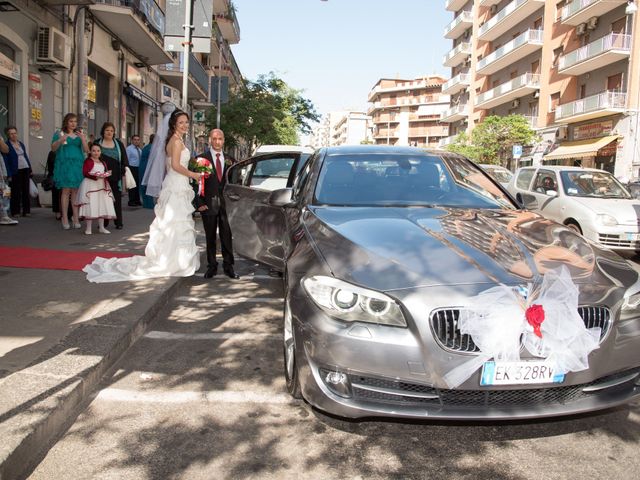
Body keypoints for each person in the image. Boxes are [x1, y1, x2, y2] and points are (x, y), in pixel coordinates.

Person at [83, 108, 201, 282]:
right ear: (174, 124)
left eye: (186, 122)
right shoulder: (176, 142)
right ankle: (174, 259)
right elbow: (175, 165)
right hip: (176, 184)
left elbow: (171, 166)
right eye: (181, 122)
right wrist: (193, 174)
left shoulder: (175, 140)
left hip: (176, 183)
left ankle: (174, 257)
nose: (184, 125)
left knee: (174, 221)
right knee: (176, 221)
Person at [194, 128, 239, 279]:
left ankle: (229, 266)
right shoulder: (201, 159)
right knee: (210, 237)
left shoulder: (231, 161)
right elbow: (197, 183)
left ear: (223, 140)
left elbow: (235, 183)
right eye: (214, 138)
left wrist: (235, 203)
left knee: (227, 236)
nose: (217, 141)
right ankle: (212, 266)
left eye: (220, 138)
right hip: (208, 205)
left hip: (226, 206)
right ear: (210, 140)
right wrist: (199, 203)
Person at [51, 114, 89, 229]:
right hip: (65, 165)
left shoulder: (79, 134)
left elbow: (87, 150)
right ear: (66, 122)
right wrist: (60, 140)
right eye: (71, 121)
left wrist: (83, 139)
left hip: (77, 165)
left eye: (75, 121)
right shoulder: (59, 134)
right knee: (65, 191)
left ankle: (76, 218)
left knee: (75, 192)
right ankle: (65, 218)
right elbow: (53, 148)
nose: (73, 123)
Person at [94, 122, 128, 229]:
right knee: (103, 199)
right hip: (101, 175)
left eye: (112, 131)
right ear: (103, 131)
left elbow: (124, 159)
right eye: (107, 130)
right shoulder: (97, 142)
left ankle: (118, 222)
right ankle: (104, 223)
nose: (109, 132)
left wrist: (123, 170)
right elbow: (92, 156)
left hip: (115, 175)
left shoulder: (118, 143)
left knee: (116, 199)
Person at [76, 143, 116, 235]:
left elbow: (105, 172)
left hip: (101, 186)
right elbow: (85, 172)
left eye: (98, 151)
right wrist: (95, 176)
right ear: (90, 151)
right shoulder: (88, 161)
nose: (96, 152)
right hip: (90, 185)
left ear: (101, 152)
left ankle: (101, 227)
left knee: (101, 204)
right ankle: (88, 228)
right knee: (91, 204)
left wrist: (106, 174)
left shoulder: (103, 162)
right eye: (94, 150)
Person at [1, 126, 33, 217]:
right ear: (8, 135)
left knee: (26, 190)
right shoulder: (6, 145)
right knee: (15, 191)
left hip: (25, 168)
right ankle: (16, 211)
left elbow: (25, 156)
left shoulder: (21, 144)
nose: (14, 135)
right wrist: (8, 173)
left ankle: (26, 211)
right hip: (15, 170)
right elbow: (6, 161)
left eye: (15, 133)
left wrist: (30, 168)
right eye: (11, 133)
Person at [0, 148, 18, 225]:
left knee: (6, 193)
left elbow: (6, 150)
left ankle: (5, 215)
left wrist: (4, 173)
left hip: (2, 176)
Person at [138, 133, 156, 209]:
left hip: (143, 167)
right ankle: (149, 204)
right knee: (148, 185)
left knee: (144, 185)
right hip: (147, 168)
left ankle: (146, 203)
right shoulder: (152, 148)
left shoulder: (147, 147)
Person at [125, 134, 142, 206]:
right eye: (135, 140)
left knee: (138, 184)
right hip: (132, 168)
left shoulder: (139, 149)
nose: (136, 141)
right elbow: (127, 159)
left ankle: (137, 200)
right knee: (132, 185)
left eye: (138, 140)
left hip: (138, 168)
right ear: (132, 140)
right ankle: (131, 201)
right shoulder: (129, 149)